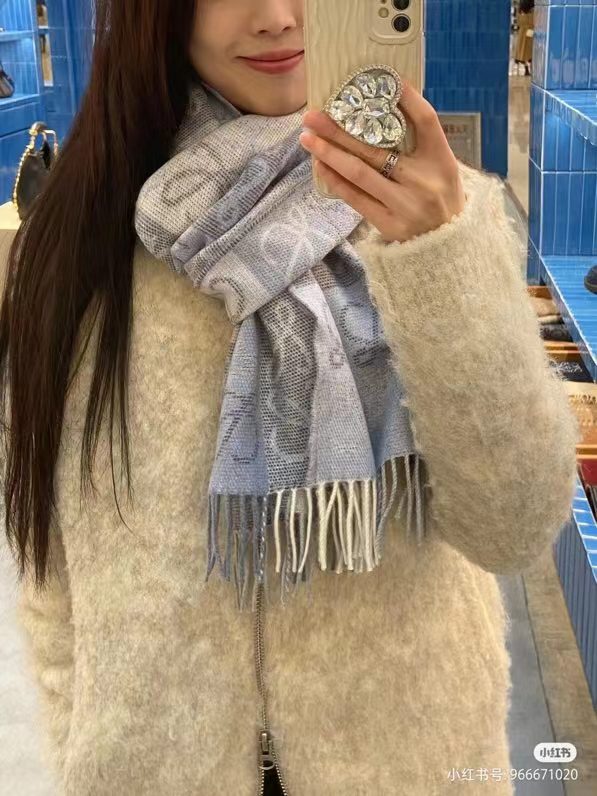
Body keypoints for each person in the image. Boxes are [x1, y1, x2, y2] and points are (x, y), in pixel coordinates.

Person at [0, 1, 579, 794]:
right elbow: (56, 570)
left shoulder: (436, 215)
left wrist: (438, 256)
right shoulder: (78, 245)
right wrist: (88, 748)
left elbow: (514, 526)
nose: (276, 18)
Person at [515, 0, 535, 76]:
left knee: (523, 51)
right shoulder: (533, 10)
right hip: (531, 31)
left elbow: (518, 22)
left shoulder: (520, 10)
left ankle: (526, 69)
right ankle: (532, 69)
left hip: (522, 32)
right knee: (531, 51)